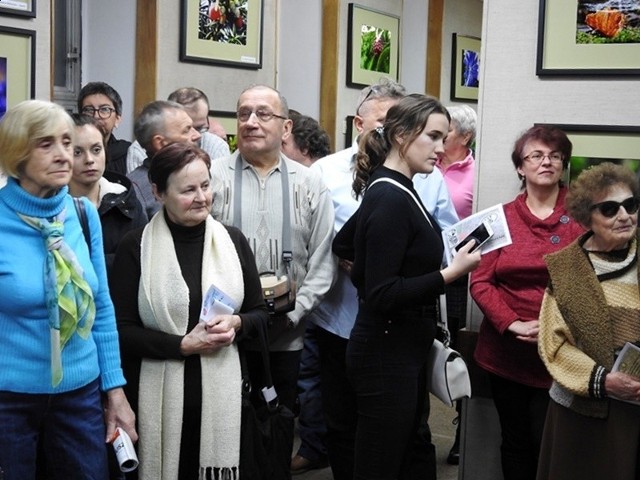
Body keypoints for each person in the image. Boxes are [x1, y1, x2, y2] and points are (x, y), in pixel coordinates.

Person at [309, 80, 458, 480]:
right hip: (381, 347)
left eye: (443, 138)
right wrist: (449, 274)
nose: (442, 148)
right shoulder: (391, 193)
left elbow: (347, 242)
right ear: (401, 135)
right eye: (434, 137)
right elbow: (380, 292)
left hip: (395, 344)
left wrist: (363, 267)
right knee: (378, 457)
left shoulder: (392, 184)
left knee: (400, 445)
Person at [111, 142, 269, 479]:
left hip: (222, 401)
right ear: (158, 192)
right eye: (188, 190)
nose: (201, 197)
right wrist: (181, 345)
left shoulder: (232, 241)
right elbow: (121, 331)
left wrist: (237, 323)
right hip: (157, 400)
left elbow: (260, 313)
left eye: (206, 185)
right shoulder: (135, 246)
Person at [0, 99, 137, 480]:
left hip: (80, 394)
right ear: (17, 154)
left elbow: (102, 307)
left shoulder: (82, 213)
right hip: (8, 399)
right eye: (47, 145)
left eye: (67, 142)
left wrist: (115, 389)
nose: (65, 155)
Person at [210, 85, 336, 476]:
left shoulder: (310, 183)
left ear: (286, 127)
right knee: (226, 429)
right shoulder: (211, 178)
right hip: (224, 332)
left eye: (263, 114)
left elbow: (323, 260)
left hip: (287, 333)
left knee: (277, 425)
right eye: (243, 112)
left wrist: (295, 313)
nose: (250, 122)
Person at [470, 125, 584, 480]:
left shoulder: (584, 218)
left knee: (556, 442)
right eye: (536, 155)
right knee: (516, 440)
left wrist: (554, 326)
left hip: (565, 350)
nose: (546, 162)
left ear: (563, 163)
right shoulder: (497, 219)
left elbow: (594, 283)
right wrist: (511, 323)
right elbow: (481, 280)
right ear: (520, 167)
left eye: (554, 155)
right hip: (507, 351)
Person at [536, 162, 640, 479]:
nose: (624, 216)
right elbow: (553, 345)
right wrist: (603, 381)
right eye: (609, 209)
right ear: (587, 218)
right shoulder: (566, 269)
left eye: (630, 205)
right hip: (583, 409)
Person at [281, 109, 332, 474]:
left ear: (301, 145)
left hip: (316, 302)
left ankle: (315, 448)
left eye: (283, 142)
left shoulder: (316, 180)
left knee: (308, 378)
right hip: (309, 302)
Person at [434, 103, 477, 465]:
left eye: (443, 131)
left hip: (458, 276)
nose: (437, 136)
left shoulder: (477, 171)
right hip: (421, 269)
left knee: (458, 351)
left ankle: (463, 432)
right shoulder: (423, 164)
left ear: (464, 137)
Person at [68, 114, 147, 274]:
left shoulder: (126, 202)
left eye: (96, 150)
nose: (89, 159)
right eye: (77, 152)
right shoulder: (52, 207)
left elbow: (142, 261)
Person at [126, 87, 230, 173]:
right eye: (187, 128)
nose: (197, 135)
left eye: (200, 128)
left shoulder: (217, 146)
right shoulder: (139, 151)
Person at [127, 100, 202, 218]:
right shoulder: (135, 191)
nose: (197, 135)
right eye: (187, 130)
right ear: (160, 143)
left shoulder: (200, 175)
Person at [78, 81, 131, 175]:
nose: (96, 116)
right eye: (89, 110)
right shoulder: (70, 152)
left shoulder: (128, 153)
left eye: (105, 109)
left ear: (117, 119)